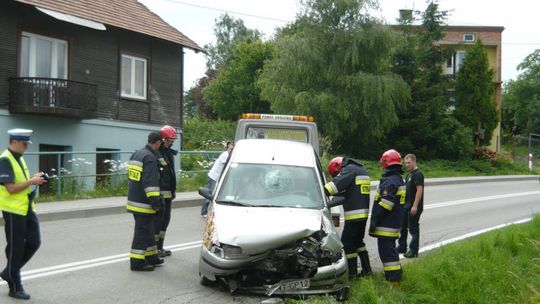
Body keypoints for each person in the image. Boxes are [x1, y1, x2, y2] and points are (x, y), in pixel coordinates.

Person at [0, 129, 47, 300]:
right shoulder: (5, 159)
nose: (26, 147)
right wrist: (31, 181)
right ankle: (14, 285)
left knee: (34, 242)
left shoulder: (18, 158)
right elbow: (11, 188)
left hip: (26, 208)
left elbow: (21, 183)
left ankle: (9, 272)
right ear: (15, 142)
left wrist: (33, 178)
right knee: (16, 248)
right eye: (24, 143)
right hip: (13, 211)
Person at [324, 157, 372, 278]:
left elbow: (332, 188)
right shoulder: (361, 170)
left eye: (336, 173)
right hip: (363, 214)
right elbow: (350, 192)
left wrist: (319, 191)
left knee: (347, 243)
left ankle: (352, 273)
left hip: (354, 215)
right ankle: (367, 270)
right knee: (358, 242)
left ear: (337, 166)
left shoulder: (349, 170)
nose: (337, 175)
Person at [127, 132, 164, 271]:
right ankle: (136, 262)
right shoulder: (149, 157)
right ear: (158, 142)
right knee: (142, 232)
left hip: (135, 199)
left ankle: (151, 256)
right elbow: (150, 183)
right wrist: (156, 203)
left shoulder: (137, 154)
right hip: (144, 203)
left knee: (149, 230)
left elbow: (133, 178)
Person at [369, 149, 406, 284]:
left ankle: (393, 280)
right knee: (391, 251)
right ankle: (396, 273)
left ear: (386, 163)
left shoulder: (390, 182)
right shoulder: (398, 179)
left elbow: (386, 203)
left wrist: (375, 219)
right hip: (394, 223)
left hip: (386, 224)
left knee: (387, 253)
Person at [155, 125, 178, 258]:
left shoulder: (168, 153)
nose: (171, 143)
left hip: (168, 195)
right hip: (160, 195)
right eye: (170, 140)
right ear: (163, 140)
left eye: (172, 141)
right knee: (158, 222)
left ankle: (160, 246)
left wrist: (173, 190)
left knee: (165, 221)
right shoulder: (156, 153)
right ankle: (155, 248)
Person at [397, 154, 424, 258]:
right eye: (405, 163)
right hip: (406, 206)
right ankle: (402, 247)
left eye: (409, 163)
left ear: (414, 161)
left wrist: (415, 206)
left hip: (413, 207)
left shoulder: (418, 174)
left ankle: (413, 250)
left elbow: (419, 190)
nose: (407, 165)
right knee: (403, 227)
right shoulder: (409, 175)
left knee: (413, 228)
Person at [200, 141, 234, 217]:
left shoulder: (229, 155)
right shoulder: (225, 155)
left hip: (217, 177)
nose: (231, 150)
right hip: (214, 176)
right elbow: (228, 165)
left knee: (216, 194)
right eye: (230, 148)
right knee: (210, 194)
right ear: (227, 148)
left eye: (232, 149)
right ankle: (203, 212)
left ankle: (211, 210)